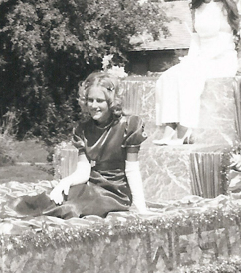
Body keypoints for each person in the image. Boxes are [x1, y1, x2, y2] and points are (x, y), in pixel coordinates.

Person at [10, 71, 149, 218]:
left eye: (100, 100)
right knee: (50, 198)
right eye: (90, 100)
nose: (94, 105)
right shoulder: (83, 129)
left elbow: (132, 170)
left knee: (70, 208)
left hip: (117, 194)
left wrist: (141, 207)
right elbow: (83, 171)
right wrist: (66, 181)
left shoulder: (128, 126)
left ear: (111, 101)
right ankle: (6, 210)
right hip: (92, 186)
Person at [153, 0, 239, 145]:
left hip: (222, 60)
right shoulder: (196, 8)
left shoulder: (224, 6)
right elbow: (196, 39)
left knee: (189, 77)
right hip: (201, 59)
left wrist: (199, 62)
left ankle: (184, 129)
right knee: (168, 77)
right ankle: (169, 126)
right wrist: (191, 59)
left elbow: (225, 42)